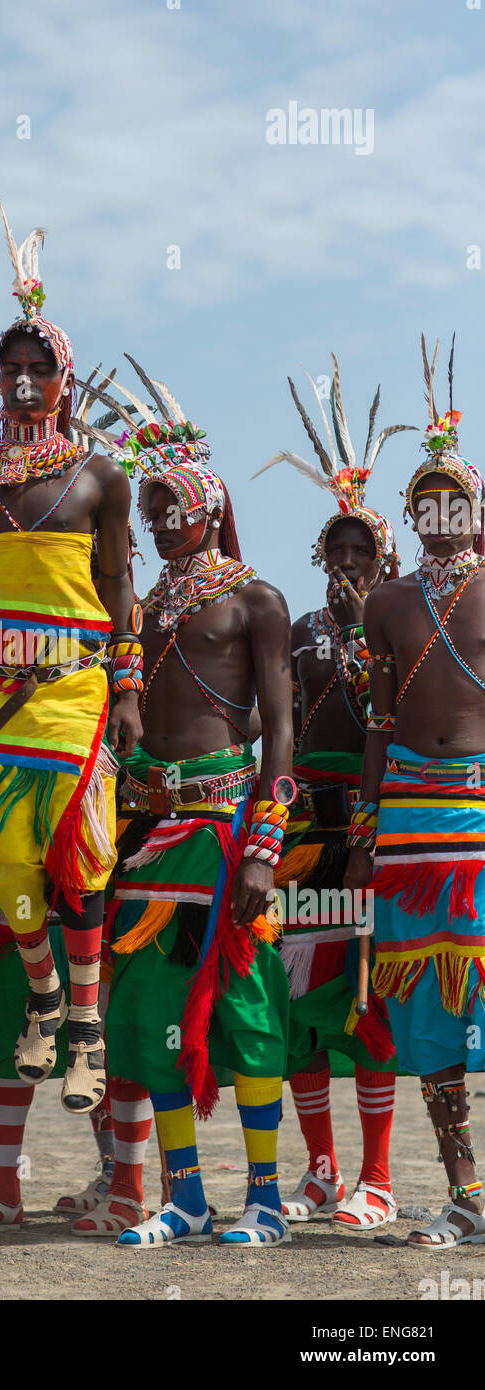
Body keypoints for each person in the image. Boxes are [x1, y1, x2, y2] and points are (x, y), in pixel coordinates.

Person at [0, 207, 141, 1139]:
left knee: (81, 852)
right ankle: (44, 994)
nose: (24, 381)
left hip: (73, 686)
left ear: (64, 381)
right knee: (12, 857)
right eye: (10, 369)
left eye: (40, 367)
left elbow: (119, 584)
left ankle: (90, 1029)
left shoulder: (101, 477)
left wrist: (129, 689)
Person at [85, 371, 294, 1248]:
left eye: (173, 507)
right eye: (151, 509)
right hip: (151, 838)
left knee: (243, 1008)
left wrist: (263, 850)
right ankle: (184, 1197)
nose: (161, 522)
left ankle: (266, 1201)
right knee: (145, 1012)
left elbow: (279, 729)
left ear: (208, 508)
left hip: (223, 831)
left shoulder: (254, 599)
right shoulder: (135, 609)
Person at [257, 360, 410, 1231]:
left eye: (363, 549)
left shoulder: (386, 626)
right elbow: (263, 720)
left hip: (370, 836)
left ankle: (379, 1177)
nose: (348, 560)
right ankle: (318, 1170)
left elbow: (383, 719)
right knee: (304, 1006)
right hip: (300, 834)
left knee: (366, 1002)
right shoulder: (297, 627)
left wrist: (362, 632)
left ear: (382, 557)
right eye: (337, 548)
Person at [345, 338, 485, 1249]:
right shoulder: (386, 604)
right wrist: (362, 825)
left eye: (455, 500)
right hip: (403, 820)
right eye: (425, 503)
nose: (439, 516)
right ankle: (465, 1190)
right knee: (425, 1013)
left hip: (477, 810)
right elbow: (376, 722)